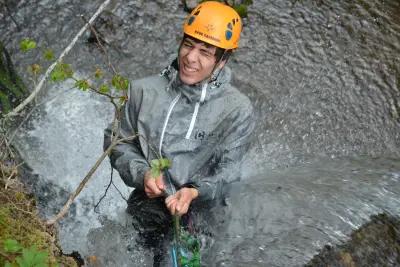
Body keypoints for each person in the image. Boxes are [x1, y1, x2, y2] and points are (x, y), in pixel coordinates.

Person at [104, 0, 255, 264]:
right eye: (188, 45)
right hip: (149, 201)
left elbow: (230, 173)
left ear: (222, 60)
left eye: (205, 52)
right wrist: (142, 173)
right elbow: (118, 141)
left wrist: (195, 191)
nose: (190, 58)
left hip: (203, 210)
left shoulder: (237, 110)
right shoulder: (142, 91)